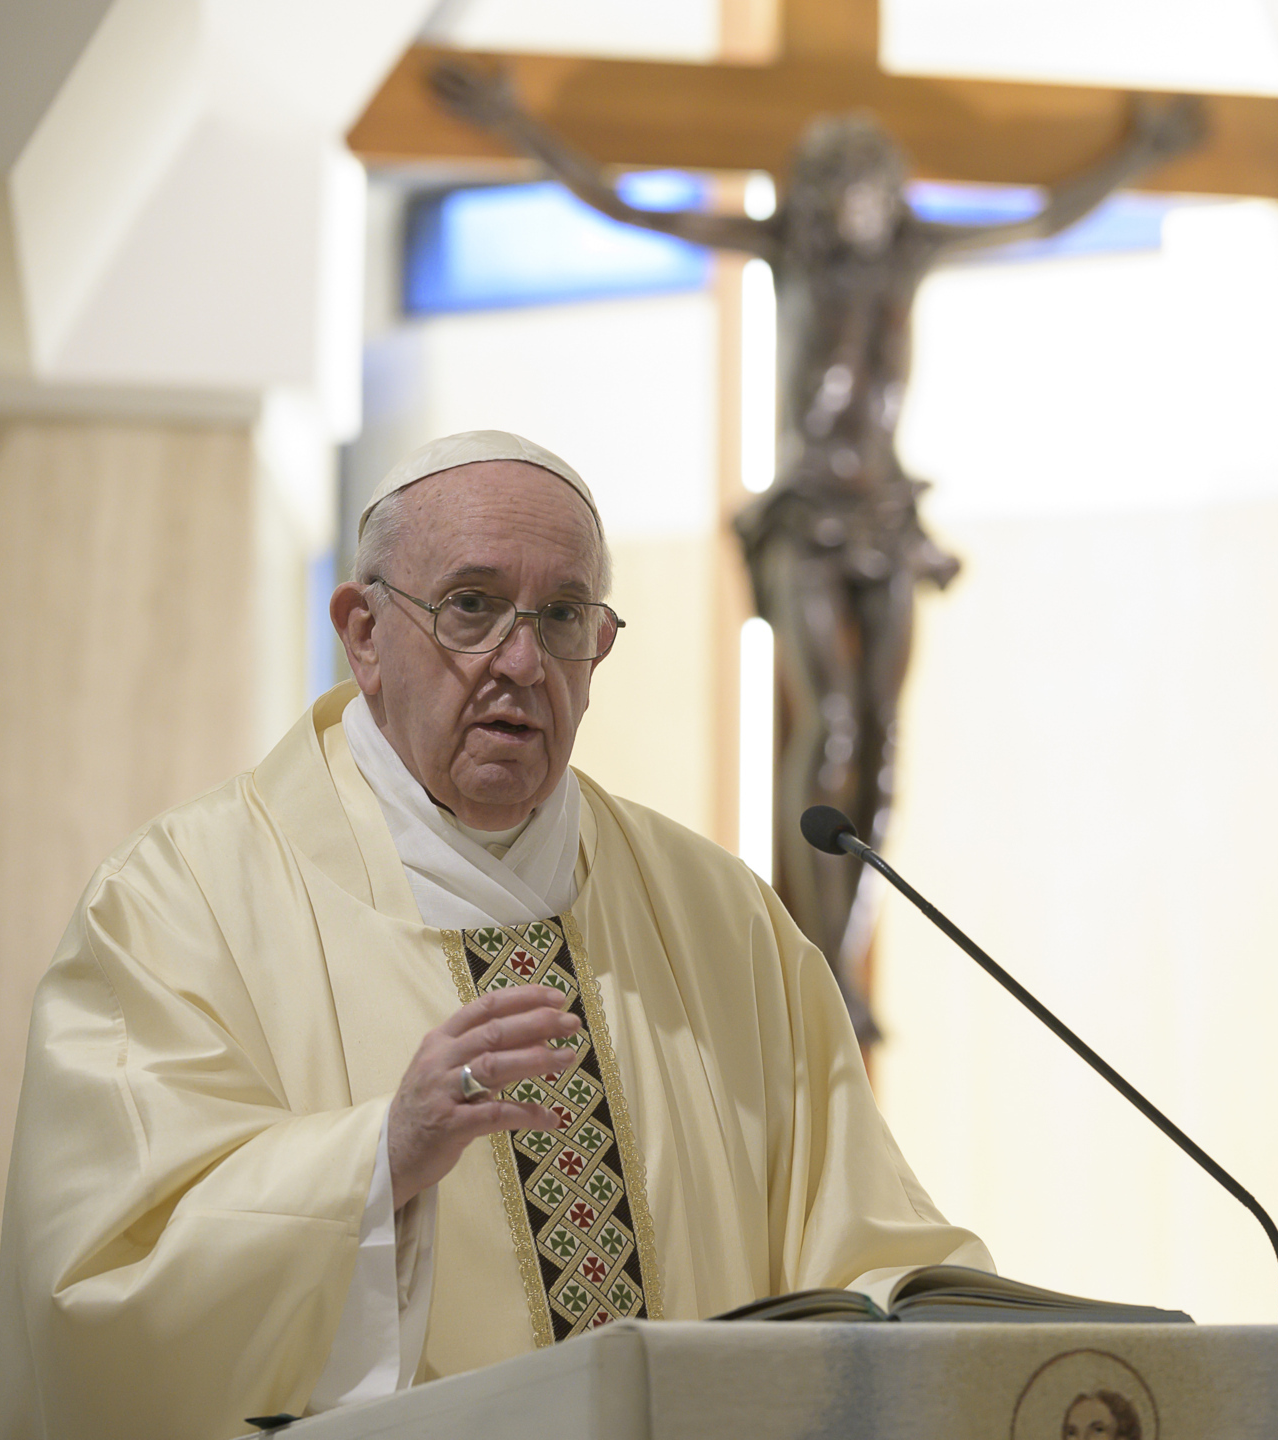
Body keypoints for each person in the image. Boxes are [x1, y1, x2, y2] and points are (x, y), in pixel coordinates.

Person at [0, 431, 991, 1440]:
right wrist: (377, 1161)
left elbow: (866, 1251)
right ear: (364, 633)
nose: (522, 662)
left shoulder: (722, 920)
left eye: (562, 616)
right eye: (471, 606)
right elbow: (104, 1286)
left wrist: (978, 1345)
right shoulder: (177, 903)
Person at [433, 63, 1206, 1041]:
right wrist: (516, 124)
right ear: (821, 195)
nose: (863, 208)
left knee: (881, 745)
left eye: (877, 188)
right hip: (806, 515)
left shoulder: (913, 251)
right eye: (846, 190)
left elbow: (1046, 218)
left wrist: (1140, 153)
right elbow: (633, 209)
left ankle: (847, 946)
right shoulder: (786, 250)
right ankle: (823, 961)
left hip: (887, 517)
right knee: (831, 723)